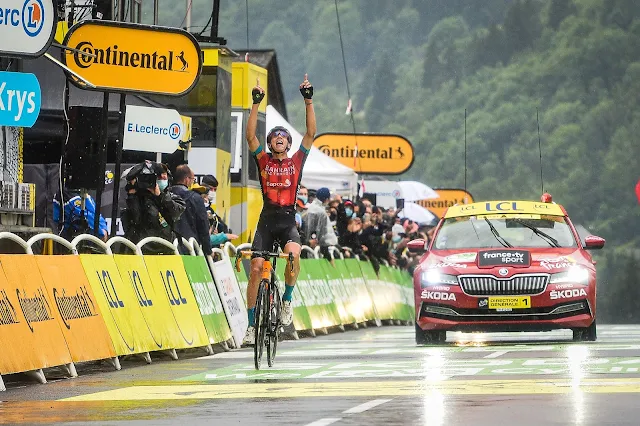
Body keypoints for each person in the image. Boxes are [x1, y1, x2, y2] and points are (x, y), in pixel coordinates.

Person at [242, 74, 316, 345]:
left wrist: (308, 101)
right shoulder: (263, 161)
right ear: (271, 143)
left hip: (287, 223)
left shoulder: (297, 161)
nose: (279, 139)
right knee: (256, 268)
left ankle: (286, 300)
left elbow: (310, 133)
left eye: (284, 137)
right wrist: (255, 104)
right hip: (266, 221)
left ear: (289, 143)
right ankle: (251, 326)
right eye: (275, 137)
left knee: (293, 258)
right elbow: (250, 135)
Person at [121, 161, 185, 253]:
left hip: (167, 251)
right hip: (142, 251)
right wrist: (133, 194)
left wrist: (160, 196)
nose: (162, 178)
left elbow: (174, 213)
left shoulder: (173, 198)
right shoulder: (137, 199)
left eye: (163, 174)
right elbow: (137, 220)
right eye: (158, 176)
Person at [169, 165, 213, 256]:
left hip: (169, 248)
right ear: (187, 179)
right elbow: (203, 226)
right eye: (193, 179)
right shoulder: (195, 198)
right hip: (190, 248)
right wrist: (208, 251)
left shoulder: (165, 196)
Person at [304, 187, 339, 260]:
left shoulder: (312, 208)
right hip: (315, 248)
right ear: (326, 199)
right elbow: (323, 233)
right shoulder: (320, 212)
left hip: (308, 245)